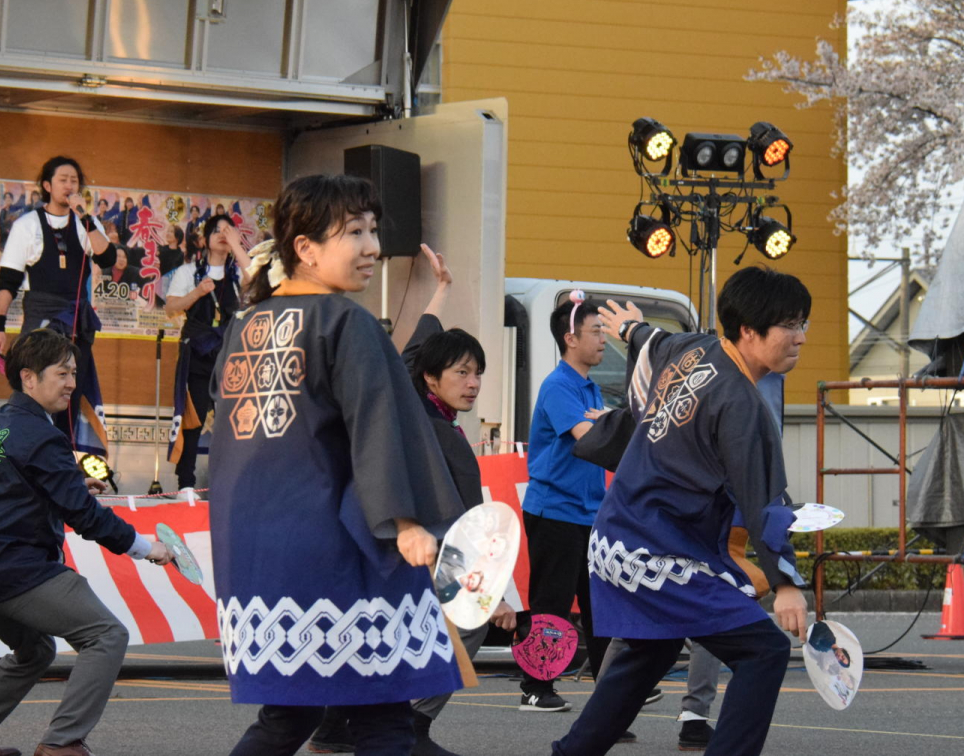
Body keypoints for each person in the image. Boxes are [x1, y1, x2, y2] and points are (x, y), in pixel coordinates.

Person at [209, 174, 465, 756]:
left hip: (256, 552)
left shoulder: (244, 326)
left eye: (373, 229)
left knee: (290, 717)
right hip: (337, 549)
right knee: (381, 718)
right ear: (305, 248)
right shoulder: (344, 323)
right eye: (354, 231)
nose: (372, 245)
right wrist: (406, 521)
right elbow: (381, 428)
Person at [548, 266, 810, 756]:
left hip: (616, 537)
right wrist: (787, 584)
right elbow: (763, 502)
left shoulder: (696, 348)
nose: (799, 338)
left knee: (649, 654)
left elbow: (654, 341)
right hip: (655, 551)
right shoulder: (743, 406)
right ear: (749, 332)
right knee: (764, 650)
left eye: (803, 324)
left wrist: (630, 328)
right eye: (789, 326)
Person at [307, 245, 517, 756]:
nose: (473, 383)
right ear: (431, 378)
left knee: (372, 642)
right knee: (463, 627)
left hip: (386, 548)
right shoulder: (423, 419)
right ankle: (411, 728)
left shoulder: (425, 410)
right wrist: (494, 591)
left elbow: (415, 348)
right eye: (462, 373)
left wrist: (441, 290)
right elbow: (467, 520)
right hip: (409, 549)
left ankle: (334, 731)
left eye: (478, 373)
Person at [0, 328, 174, 756]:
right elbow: (82, 516)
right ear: (28, 378)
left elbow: (19, 488)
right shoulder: (42, 434)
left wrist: (72, 486)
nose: (71, 384)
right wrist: (144, 546)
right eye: (62, 373)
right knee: (106, 635)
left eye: (74, 373)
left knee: (34, 651)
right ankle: (62, 744)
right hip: (19, 569)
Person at [515, 296, 611, 711]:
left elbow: (603, 434)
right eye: (596, 331)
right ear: (570, 339)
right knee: (552, 603)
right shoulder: (558, 385)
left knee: (600, 605)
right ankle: (536, 688)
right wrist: (609, 422)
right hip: (554, 509)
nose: (604, 338)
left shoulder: (589, 385)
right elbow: (586, 435)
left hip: (588, 512)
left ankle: (613, 687)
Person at [0, 156, 117, 453]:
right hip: (41, 318)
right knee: (36, 388)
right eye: (63, 179)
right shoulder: (27, 225)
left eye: (74, 180)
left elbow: (108, 260)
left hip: (76, 321)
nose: (69, 185)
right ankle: (29, 455)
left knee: (70, 392)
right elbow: (7, 281)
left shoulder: (86, 223)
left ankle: (64, 459)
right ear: (47, 186)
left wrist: (85, 217)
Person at [165, 214, 250, 492]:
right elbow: (171, 307)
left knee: (233, 421)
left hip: (231, 354)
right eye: (217, 230)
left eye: (229, 231)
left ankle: (231, 483)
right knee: (194, 418)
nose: (223, 235)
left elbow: (259, 283)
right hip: (198, 353)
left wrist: (238, 248)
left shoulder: (239, 273)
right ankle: (186, 484)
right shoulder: (188, 271)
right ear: (205, 239)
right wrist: (199, 292)